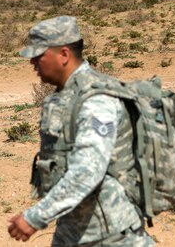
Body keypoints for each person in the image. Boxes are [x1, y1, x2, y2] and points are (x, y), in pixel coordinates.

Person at [8, 16, 154, 246]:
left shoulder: (96, 100)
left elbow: (88, 170)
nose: (33, 62)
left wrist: (35, 217)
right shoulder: (66, 96)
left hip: (113, 234)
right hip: (74, 229)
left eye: (39, 55)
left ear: (64, 55)